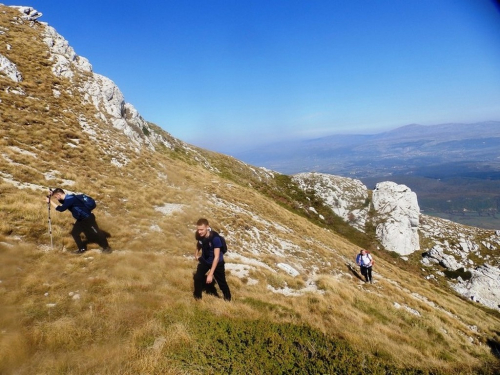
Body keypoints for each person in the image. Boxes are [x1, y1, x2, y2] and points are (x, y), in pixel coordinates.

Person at [46, 188, 111, 254]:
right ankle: (82, 249)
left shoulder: (70, 199)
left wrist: (50, 201)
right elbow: (63, 202)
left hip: (88, 219)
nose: (56, 198)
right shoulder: (69, 198)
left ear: (59, 194)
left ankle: (107, 248)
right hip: (81, 220)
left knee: (96, 233)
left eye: (56, 197)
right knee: (74, 233)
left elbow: (61, 209)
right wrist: (52, 193)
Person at [193, 218, 231, 301]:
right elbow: (199, 243)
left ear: (207, 227)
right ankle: (197, 298)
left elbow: (216, 257)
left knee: (222, 283)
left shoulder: (215, 238)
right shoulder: (200, 235)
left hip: (217, 263)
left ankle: (228, 300)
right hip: (205, 261)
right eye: (198, 229)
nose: (199, 232)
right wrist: (196, 253)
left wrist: (210, 274)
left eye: (201, 229)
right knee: (197, 278)